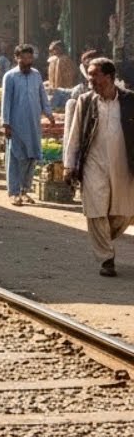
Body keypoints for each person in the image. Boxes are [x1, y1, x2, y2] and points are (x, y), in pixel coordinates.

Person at [64, 58, 134, 277]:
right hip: (93, 163)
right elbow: (74, 135)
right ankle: (106, 258)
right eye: (90, 75)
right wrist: (69, 165)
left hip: (123, 163)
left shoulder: (129, 100)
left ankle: (102, 239)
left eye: (95, 75)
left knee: (124, 212)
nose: (91, 79)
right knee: (96, 210)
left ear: (109, 77)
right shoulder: (85, 102)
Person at [2, 45, 55, 206]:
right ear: (17, 58)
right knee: (16, 157)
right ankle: (14, 192)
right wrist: (6, 123)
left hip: (33, 123)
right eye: (23, 58)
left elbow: (42, 95)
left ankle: (25, 190)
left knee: (31, 157)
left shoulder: (36, 75)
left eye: (30, 58)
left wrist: (49, 113)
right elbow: (6, 102)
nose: (27, 61)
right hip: (16, 124)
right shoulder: (10, 77)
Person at [48, 41, 78, 107]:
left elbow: (70, 76)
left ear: (60, 49)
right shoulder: (53, 60)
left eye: (55, 49)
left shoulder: (65, 60)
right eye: (52, 50)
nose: (53, 51)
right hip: (55, 91)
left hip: (64, 91)